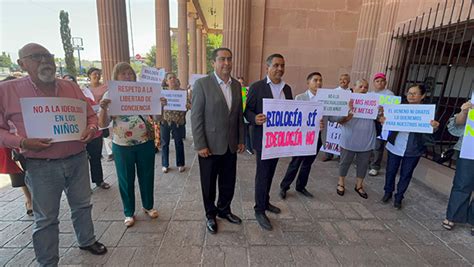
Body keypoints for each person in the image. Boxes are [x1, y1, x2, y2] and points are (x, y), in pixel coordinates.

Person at [0, 43, 107, 266]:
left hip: (77, 158)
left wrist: (91, 129)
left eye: (48, 56)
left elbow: (91, 116)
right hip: (41, 165)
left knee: (82, 205)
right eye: (37, 57)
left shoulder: (71, 87)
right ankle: (48, 261)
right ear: (22, 63)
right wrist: (21, 142)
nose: (45, 61)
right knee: (46, 218)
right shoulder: (7, 91)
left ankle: (87, 240)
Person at [98, 62, 164, 227]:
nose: (128, 76)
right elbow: (103, 124)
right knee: (125, 179)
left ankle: (148, 206)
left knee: (147, 175)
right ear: (116, 76)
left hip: (145, 142)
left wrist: (160, 106)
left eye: (130, 73)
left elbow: (157, 119)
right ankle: (128, 212)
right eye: (124, 74)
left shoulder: (144, 92)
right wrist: (104, 109)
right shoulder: (109, 94)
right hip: (122, 145)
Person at [191, 48, 245, 234]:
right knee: (208, 183)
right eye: (222, 59)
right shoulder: (202, 84)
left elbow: (238, 115)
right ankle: (210, 214)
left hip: (230, 144)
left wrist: (240, 139)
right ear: (213, 63)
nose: (226, 63)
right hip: (210, 146)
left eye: (229, 59)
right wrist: (200, 144)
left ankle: (224, 210)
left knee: (228, 181)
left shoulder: (237, 86)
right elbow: (196, 117)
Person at [244, 53, 293, 230]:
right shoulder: (257, 87)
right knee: (263, 174)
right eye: (276, 65)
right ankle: (259, 209)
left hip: (279, 140)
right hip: (263, 140)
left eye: (282, 65)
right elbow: (247, 111)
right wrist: (254, 118)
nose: (280, 69)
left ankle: (265, 202)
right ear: (268, 67)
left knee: (271, 172)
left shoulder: (287, 89)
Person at [380, 84, 439, 209]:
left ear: (422, 96)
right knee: (390, 171)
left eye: (414, 93)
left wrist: (434, 127)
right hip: (395, 146)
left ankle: (399, 197)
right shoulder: (397, 109)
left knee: (406, 174)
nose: (411, 96)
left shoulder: (427, 112)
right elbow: (387, 124)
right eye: (409, 93)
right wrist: (384, 121)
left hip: (413, 148)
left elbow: (431, 131)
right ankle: (388, 192)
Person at [330, 79, 380, 199]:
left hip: (367, 138)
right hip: (349, 137)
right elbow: (336, 119)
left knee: (363, 164)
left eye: (366, 87)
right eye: (361, 86)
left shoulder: (373, 102)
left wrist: (380, 112)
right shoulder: (346, 100)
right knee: (345, 162)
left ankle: (359, 185)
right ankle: (341, 182)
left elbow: (379, 118)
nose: (363, 89)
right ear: (354, 87)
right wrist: (347, 114)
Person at [279, 72, 324, 199]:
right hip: (302, 137)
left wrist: (346, 115)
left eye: (320, 80)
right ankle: (284, 186)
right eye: (315, 80)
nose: (319, 83)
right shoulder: (300, 98)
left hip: (317, 138)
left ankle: (301, 187)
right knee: (295, 162)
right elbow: (295, 118)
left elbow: (331, 117)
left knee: (307, 164)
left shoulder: (325, 99)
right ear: (308, 83)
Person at [65, 74, 110, 190]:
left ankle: (99, 180)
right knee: (80, 162)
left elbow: (95, 114)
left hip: (94, 134)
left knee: (95, 158)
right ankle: (84, 186)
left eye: (71, 82)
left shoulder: (86, 99)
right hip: (75, 137)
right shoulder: (60, 102)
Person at [0, 76, 33, 216]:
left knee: (31, 171)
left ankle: (35, 197)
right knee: (18, 173)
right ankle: (29, 199)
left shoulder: (26, 102)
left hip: (30, 144)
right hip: (10, 146)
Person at [442, 100, 473, 236]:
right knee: (462, 183)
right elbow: (456, 126)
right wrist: (464, 111)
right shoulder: (472, 102)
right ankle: (453, 216)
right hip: (469, 149)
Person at [160, 72, 189, 173]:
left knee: (179, 142)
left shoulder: (182, 92)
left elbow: (189, 105)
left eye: (174, 77)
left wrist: (186, 105)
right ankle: (165, 164)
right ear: (166, 81)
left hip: (178, 122)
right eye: (170, 78)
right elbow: (157, 106)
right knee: (164, 143)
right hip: (165, 121)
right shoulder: (162, 93)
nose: (172, 79)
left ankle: (180, 164)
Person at [368, 72, 394, 176]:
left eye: (382, 81)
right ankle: (366, 162)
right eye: (377, 81)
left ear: (385, 82)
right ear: (374, 83)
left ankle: (375, 166)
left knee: (378, 145)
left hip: (380, 123)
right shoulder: (369, 94)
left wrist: (383, 111)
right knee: (368, 143)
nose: (380, 83)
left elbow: (392, 110)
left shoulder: (389, 94)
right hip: (370, 121)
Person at [87, 67, 114, 162]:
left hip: (104, 111)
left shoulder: (105, 87)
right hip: (91, 114)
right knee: (96, 133)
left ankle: (110, 152)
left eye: (98, 74)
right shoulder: (86, 89)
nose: (97, 76)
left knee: (106, 132)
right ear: (89, 76)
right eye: (94, 74)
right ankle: (97, 151)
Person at [238, 76, 254, 155]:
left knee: (246, 132)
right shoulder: (234, 91)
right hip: (237, 117)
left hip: (245, 116)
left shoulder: (246, 91)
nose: (240, 84)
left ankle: (248, 148)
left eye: (242, 83)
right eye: (239, 83)